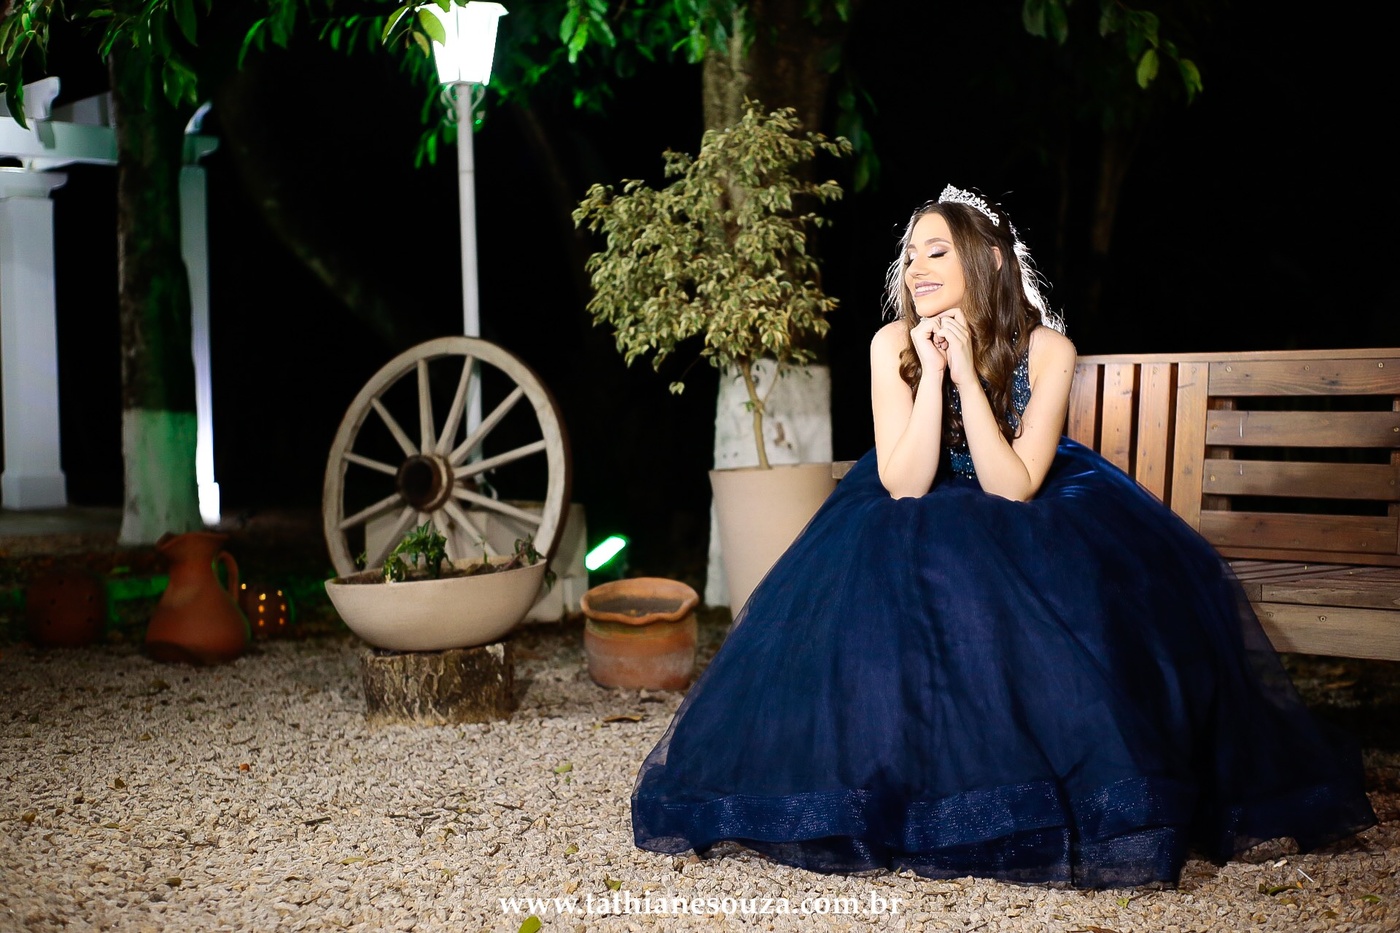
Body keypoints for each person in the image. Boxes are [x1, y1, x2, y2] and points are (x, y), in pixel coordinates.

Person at [629, 186, 1378, 889]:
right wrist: (931, 371)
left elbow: (1012, 485)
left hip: (1022, 500)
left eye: (936, 252)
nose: (916, 269)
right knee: (910, 552)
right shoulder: (892, 342)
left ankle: (1042, 791)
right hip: (917, 499)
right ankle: (900, 792)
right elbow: (906, 482)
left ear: (987, 260)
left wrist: (965, 375)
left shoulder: (1046, 349)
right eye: (910, 256)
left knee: (998, 570)